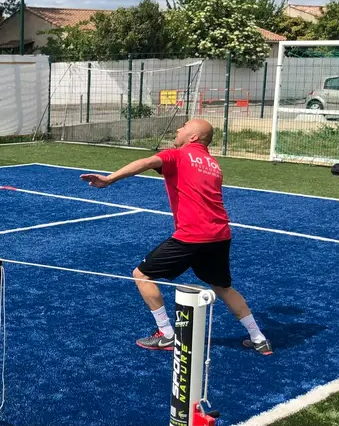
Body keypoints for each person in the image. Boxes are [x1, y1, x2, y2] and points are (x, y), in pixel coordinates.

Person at [80, 119, 272, 355]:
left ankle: (166, 334)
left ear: (192, 137)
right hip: (220, 234)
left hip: (192, 235)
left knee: (141, 275)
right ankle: (258, 337)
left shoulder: (178, 155)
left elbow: (147, 161)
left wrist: (109, 179)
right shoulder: (213, 164)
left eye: (183, 127)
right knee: (223, 287)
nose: (177, 129)